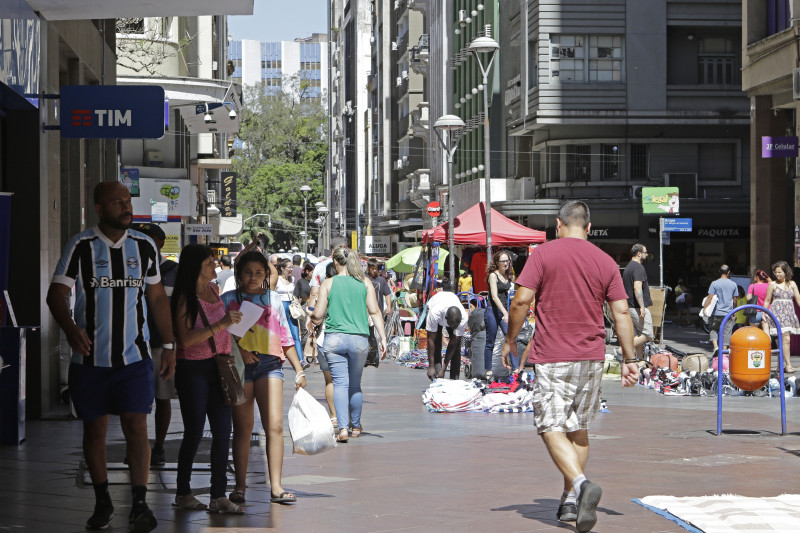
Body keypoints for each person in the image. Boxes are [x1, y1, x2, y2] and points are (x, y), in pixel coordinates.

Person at [46, 182, 175, 532]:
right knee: (95, 430)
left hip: (134, 359)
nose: (126, 206)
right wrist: (71, 329)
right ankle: (102, 501)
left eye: (128, 200)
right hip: (90, 363)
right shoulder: (81, 246)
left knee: (136, 427)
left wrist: (170, 346)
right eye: (117, 202)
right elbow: (56, 295)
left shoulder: (145, 246)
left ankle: (139, 502)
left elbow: (158, 300)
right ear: (100, 209)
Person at [500, 200, 637, 533]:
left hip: (552, 354)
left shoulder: (543, 255)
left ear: (557, 225)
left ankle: (580, 483)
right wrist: (631, 359)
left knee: (549, 425)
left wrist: (510, 340)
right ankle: (570, 500)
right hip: (591, 356)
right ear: (588, 227)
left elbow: (520, 300)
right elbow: (621, 313)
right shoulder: (605, 261)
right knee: (578, 428)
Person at [222, 251, 307, 505]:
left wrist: (299, 369)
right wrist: (242, 350)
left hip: (270, 364)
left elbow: (286, 338)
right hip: (239, 368)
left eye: (259, 273)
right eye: (248, 272)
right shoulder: (226, 299)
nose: (253, 277)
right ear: (238, 273)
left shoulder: (273, 300)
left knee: (275, 428)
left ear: (266, 275)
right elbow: (220, 335)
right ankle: (239, 486)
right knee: (243, 430)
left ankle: (277, 486)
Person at [171, 244, 243, 513]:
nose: (216, 265)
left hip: (220, 366)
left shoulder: (214, 290)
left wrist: (230, 329)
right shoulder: (184, 297)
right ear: (197, 265)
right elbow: (186, 339)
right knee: (194, 431)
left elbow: (221, 325)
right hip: (193, 369)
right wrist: (221, 325)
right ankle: (183, 492)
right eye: (210, 262)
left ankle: (218, 495)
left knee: (224, 432)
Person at [310, 247, 387, 443]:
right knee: (355, 384)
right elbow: (375, 311)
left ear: (335, 263)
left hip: (334, 338)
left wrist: (311, 317)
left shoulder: (328, 283)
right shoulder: (365, 282)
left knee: (340, 384)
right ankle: (355, 426)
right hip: (359, 339)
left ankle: (342, 428)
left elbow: (318, 315)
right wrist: (383, 338)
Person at [133, 223, 179, 467]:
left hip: (162, 344)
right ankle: (135, 446)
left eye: (148, 240)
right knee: (134, 401)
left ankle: (159, 445)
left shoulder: (173, 270)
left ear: (161, 243)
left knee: (163, 397)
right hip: (132, 343)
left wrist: (173, 344)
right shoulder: (129, 267)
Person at [423, 290, 468, 381]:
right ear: (446, 318)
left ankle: (454, 380)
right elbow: (430, 340)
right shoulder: (435, 313)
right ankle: (437, 376)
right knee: (436, 343)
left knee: (456, 348)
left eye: (456, 325)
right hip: (436, 302)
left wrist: (444, 368)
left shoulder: (463, 318)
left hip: (451, 303)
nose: (453, 327)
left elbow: (452, 344)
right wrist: (431, 366)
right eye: (451, 325)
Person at [764, 261, 800, 373]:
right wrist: (764, 312)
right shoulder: (772, 285)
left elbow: (798, 299)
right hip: (777, 314)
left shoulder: (792, 284)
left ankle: (781, 365)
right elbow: (767, 300)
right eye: (775, 272)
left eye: (779, 272)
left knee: (784, 340)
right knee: (785, 339)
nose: (777, 274)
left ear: (785, 272)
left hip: (788, 314)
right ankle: (788, 365)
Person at [484, 250, 515, 377]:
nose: (505, 263)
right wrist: (505, 313)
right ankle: (488, 370)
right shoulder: (493, 275)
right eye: (502, 261)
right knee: (490, 340)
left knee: (512, 338)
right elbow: (495, 296)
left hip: (505, 310)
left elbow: (510, 294)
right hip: (493, 309)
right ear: (497, 262)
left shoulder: (509, 275)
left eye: (507, 260)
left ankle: (515, 369)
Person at [622, 244, 653, 361]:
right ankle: (622, 350)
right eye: (645, 252)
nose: (646, 255)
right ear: (639, 253)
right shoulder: (638, 267)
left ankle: (639, 361)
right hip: (636, 307)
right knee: (648, 334)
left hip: (629, 306)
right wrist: (642, 306)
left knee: (638, 335)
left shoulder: (628, 267)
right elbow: (637, 287)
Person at [275, 258, 306, 367]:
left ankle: (301, 360)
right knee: (281, 334)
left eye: (292, 267)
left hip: (292, 306)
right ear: (282, 268)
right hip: (281, 306)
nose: (291, 269)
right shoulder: (277, 280)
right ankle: (279, 358)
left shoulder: (292, 279)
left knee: (295, 334)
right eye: (289, 267)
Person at [702, 265, 738, 354]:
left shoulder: (714, 283)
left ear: (719, 271)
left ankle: (715, 347)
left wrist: (705, 309)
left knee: (713, 329)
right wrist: (734, 311)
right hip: (728, 313)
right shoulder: (733, 284)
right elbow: (735, 299)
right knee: (727, 331)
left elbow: (709, 297)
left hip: (716, 312)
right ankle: (724, 349)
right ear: (729, 272)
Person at [366, 259, 393, 367]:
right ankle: (367, 357)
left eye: (376, 269)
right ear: (368, 268)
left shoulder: (381, 281)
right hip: (365, 313)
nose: (374, 271)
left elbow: (387, 294)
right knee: (367, 335)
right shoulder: (364, 279)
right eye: (372, 269)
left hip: (378, 313)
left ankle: (375, 357)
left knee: (377, 336)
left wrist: (389, 306)